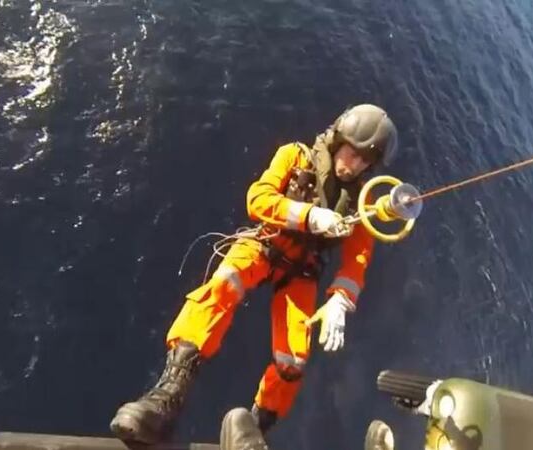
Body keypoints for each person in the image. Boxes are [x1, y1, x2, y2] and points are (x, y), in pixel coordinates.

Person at [110, 104, 399, 444]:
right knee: (221, 288)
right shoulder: (295, 156)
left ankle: (252, 433)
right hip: (265, 244)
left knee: (293, 361)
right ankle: (164, 401)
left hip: (303, 270)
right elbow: (257, 199)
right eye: (352, 153)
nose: (354, 166)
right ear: (337, 140)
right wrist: (309, 216)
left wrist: (340, 299)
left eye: (365, 161)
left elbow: (357, 260)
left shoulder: (361, 203)